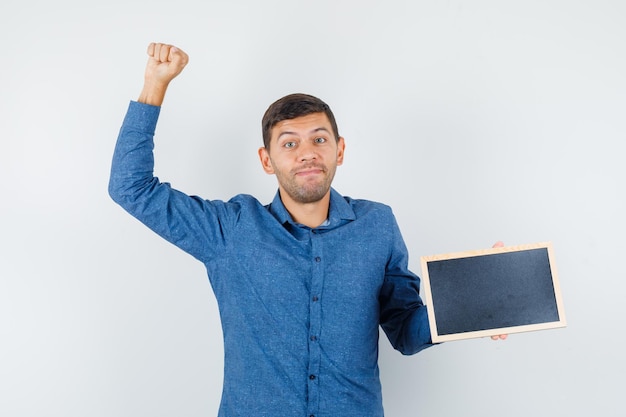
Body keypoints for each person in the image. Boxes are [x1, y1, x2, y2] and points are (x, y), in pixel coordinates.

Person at [109, 43, 505, 417]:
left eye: (319, 139)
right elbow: (130, 187)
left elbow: (405, 329)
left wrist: (472, 308)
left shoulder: (377, 224)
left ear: (340, 149)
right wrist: (154, 84)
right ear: (267, 160)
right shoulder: (231, 228)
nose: (307, 153)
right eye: (289, 144)